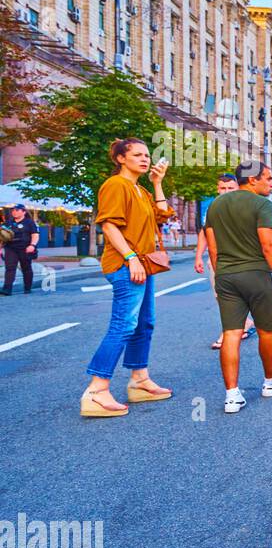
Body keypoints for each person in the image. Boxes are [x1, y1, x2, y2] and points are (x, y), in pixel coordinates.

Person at [81, 139, 174, 418]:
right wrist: (131, 257)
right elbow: (109, 225)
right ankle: (97, 390)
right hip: (126, 264)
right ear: (121, 158)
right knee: (124, 324)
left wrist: (158, 183)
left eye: (147, 155)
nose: (145, 159)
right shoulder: (115, 185)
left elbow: (163, 215)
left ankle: (140, 381)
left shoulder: (141, 189)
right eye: (137, 155)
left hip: (144, 264)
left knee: (144, 323)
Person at [203, 160, 272, 414]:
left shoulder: (215, 205)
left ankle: (232, 395)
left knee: (231, 334)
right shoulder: (261, 204)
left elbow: (212, 248)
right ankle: (271, 382)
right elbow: (269, 246)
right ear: (252, 180)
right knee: (267, 330)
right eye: (267, 178)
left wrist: (222, 271)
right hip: (257, 274)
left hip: (225, 275)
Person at [195, 173, 254, 349]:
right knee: (222, 296)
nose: (226, 191)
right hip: (218, 259)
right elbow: (205, 232)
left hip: (244, 260)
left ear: (238, 188)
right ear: (217, 189)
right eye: (222, 188)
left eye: (230, 188)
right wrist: (199, 256)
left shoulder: (247, 205)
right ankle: (236, 326)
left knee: (241, 297)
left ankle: (237, 326)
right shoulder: (214, 206)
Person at [1, 202, 40, 295]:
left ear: (23, 212)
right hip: (10, 248)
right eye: (13, 210)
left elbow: (35, 235)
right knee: (10, 268)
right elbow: (2, 236)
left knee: (26, 268)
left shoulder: (29, 223)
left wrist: (32, 245)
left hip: (25, 248)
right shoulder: (8, 223)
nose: (14, 212)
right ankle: (7, 289)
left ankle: (27, 287)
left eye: (17, 210)